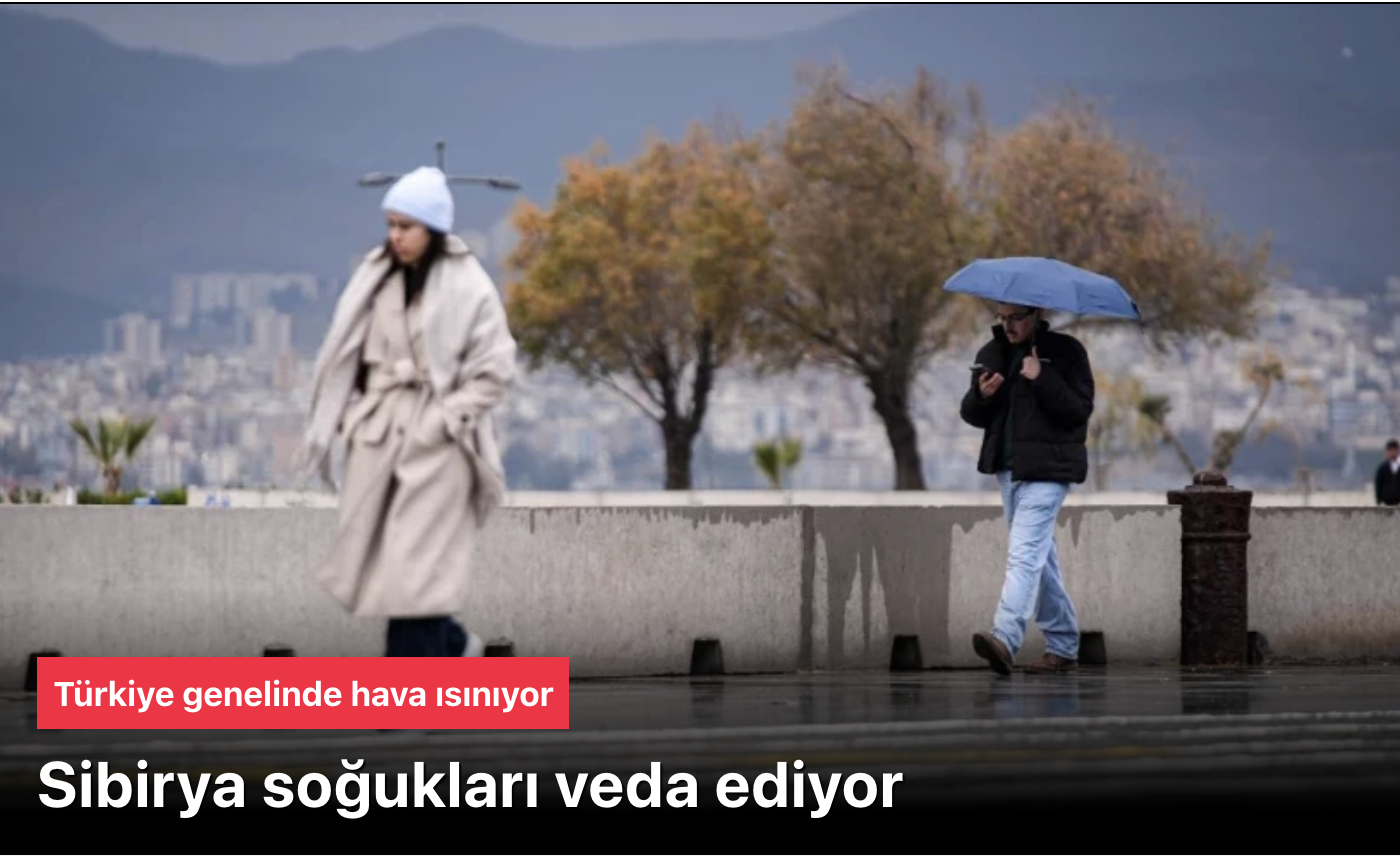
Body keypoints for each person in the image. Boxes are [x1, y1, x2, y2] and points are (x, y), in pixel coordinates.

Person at [298, 166, 518, 657]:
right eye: (391, 225)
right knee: (397, 572)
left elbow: (497, 366)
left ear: (433, 228)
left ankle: (408, 698)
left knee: (414, 574)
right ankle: (458, 649)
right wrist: (352, 416)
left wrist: (446, 418)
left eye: (406, 226)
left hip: (438, 450)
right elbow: (346, 349)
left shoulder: (468, 284)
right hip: (380, 441)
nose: (395, 236)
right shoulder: (375, 276)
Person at [959, 302, 1095, 676]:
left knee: (1022, 556)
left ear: (1036, 314)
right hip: (1008, 472)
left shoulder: (1067, 352)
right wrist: (982, 395)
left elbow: (1079, 410)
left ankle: (1004, 637)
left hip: (1048, 472)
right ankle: (1064, 644)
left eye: (1016, 317)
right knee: (1040, 559)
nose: (1008, 326)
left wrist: (1042, 378)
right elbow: (971, 414)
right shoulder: (992, 353)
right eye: (1002, 318)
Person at [1378, 439, 1400, 507]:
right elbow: (1379, 485)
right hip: (1386, 503)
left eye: (1393, 450)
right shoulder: (1383, 468)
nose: (1391, 453)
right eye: (1389, 451)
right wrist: (1379, 501)